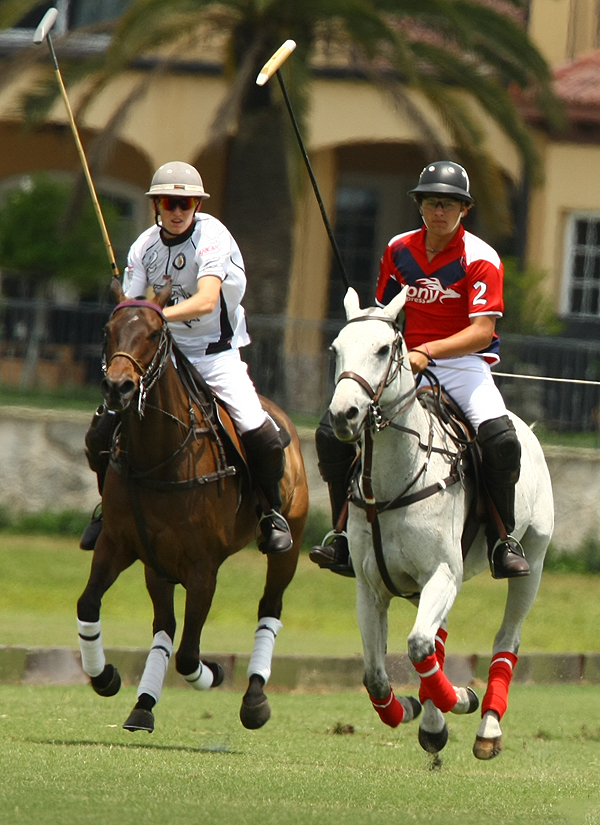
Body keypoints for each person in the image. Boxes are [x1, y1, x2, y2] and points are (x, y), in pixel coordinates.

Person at [309, 160, 529, 580]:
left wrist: (429, 349)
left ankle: (503, 540)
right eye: (431, 203)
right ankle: (340, 535)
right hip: (404, 363)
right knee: (330, 433)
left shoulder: (480, 258)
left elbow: (483, 332)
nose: (438, 212)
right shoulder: (398, 250)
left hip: (463, 366)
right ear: (419, 205)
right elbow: (387, 314)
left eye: (448, 204)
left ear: (464, 209)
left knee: (501, 440)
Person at [80, 160, 292, 556]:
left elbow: (207, 299)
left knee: (260, 433)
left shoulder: (213, 236)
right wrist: (133, 310)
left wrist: (153, 314)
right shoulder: (144, 246)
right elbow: (132, 309)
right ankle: (108, 508)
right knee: (101, 432)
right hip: (165, 356)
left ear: (196, 205)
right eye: (168, 203)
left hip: (216, 356)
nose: (177, 212)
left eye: (186, 203)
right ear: (156, 205)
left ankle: (270, 512)